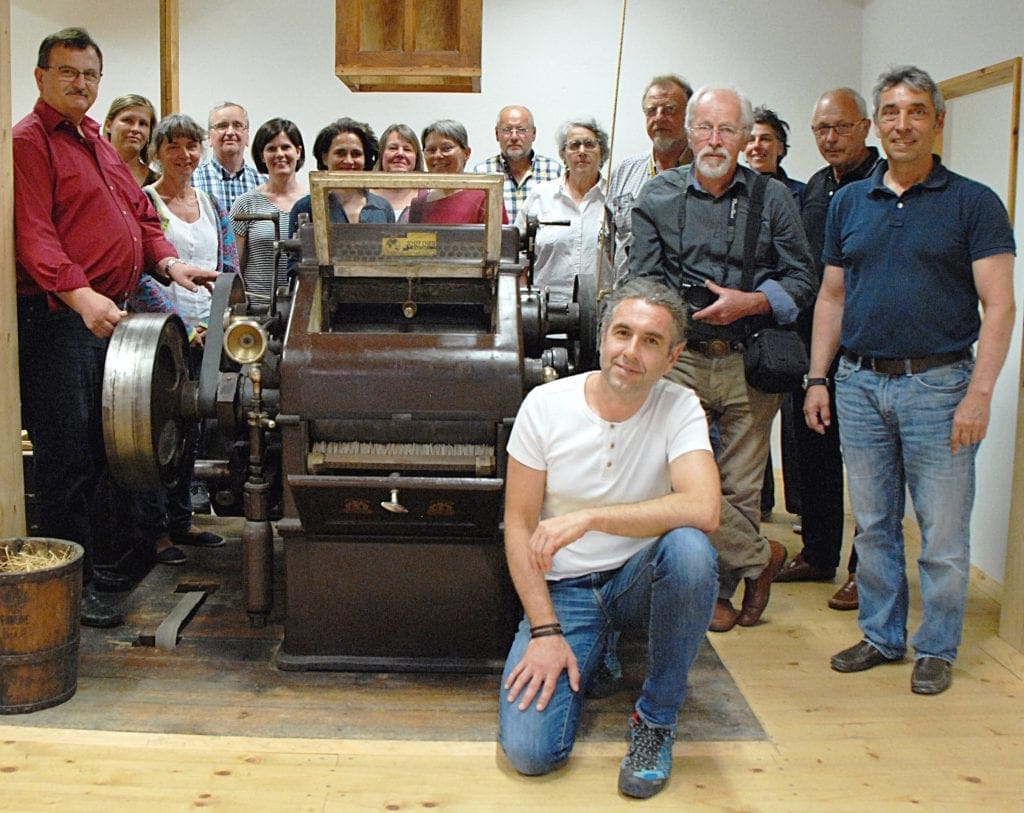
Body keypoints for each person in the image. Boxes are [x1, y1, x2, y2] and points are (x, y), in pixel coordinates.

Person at [805, 66, 1016, 695]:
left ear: (937, 122)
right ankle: (881, 635)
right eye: (892, 112)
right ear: (879, 123)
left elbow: (999, 306)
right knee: (872, 524)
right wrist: (819, 377)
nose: (903, 124)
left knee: (944, 535)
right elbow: (832, 297)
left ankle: (937, 645)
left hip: (941, 387)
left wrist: (979, 394)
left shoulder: (974, 203)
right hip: (860, 385)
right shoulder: (849, 201)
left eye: (917, 111)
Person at [13, 27, 218, 627]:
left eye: (90, 74)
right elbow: (34, 234)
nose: (81, 84)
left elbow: (138, 215)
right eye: (68, 72)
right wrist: (80, 296)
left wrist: (170, 263)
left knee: (110, 453)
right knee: (68, 458)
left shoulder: (97, 143)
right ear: (41, 77)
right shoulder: (28, 141)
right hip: (63, 321)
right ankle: (66, 596)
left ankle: (105, 569)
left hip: (114, 315)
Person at [498, 277, 719, 799]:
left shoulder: (680, 405)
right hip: (565, 591)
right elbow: (519, 526)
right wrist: (546, 633)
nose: (631, 352)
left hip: (637, 580)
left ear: (673, 356)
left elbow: (704, 508)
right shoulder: (545, 405)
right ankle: (595, 647)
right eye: (623, 333)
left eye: (651, 341)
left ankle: (656, 722)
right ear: (602, 337)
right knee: (531, 754)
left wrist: (592, 518)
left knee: (691, 550)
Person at [629, 85, 816, 633]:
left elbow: (803, 278)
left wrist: (752, 302)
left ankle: (719, 587)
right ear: (689, 134)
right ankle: (762, 558)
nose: (715, 140)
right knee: (680, 481)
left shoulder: (773, 198)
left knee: (737, 488)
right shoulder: (656, 197)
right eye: (705, 128)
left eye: (727, 130)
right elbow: (641, 279)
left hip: (750, 361)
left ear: (745, 138)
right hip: (681, 357)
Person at [775, 88, 882, 611]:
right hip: (811, 345)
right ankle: (818, 553)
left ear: (865, 127)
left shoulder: (884, 184)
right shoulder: (815, 187)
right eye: (821, 129)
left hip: (866, 347)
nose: (830, 138)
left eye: (840, 127)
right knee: (812, 453)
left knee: (866, 464)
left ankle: (868, 570)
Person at [137, 113, 240, 564]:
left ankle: (182, 521)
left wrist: (216, 324)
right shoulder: (145, 202)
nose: (184, 155)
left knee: (192, 433)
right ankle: (156, 533)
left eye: (191, 146)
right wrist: (179, 326)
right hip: (162, 339)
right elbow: (141, 273)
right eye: (173, 146)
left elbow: (228, 266)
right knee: (154, 436)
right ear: (157, 152)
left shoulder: (211, 204)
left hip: (207, 336)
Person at [743, 106, 805, 528]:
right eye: (751, 139)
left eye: (766, 139)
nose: (757, 146)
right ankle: (760, 501)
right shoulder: (737, 193)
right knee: (749, 420)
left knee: (796, 423)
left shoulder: (802, 195)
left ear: (781, 147)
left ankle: (800, 503)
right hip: (745, 324)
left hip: (789, 319)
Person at [606, 75, 694, 283]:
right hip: (632, 297)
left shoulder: (705, 174)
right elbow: (609, 240)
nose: (659, 118)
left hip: (687, 302)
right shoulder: (625, 171)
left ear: (690, 116)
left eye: (669, 110)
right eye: (651, 111)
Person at [515, 119, 608, 303]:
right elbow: (516, 258)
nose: (582, 151)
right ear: (563, 155)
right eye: (574, 145)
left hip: (601, 314)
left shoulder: (613, 197)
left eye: (589, 144)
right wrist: (526, 306)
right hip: (546, 314)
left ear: (602, 152)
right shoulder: (541, 196)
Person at [231, 118, 306, 307]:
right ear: (262, 156)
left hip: (302, 310)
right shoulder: (245, 204)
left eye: (286, 147)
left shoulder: (314, 203)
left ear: (298, 151)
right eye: (271, 149)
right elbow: (234, 265)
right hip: (256, 310)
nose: (279, 154)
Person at [288, 118, 395, 236]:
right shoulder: (305, 207)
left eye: (356, 154)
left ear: (366, 159)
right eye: (340, 153)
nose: (349, 161)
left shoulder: (383, 208)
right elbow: (296, 254)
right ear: (324, 157)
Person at [471, 105, 562, 221]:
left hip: (540, 239)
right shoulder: (482, 173)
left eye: (521, 130)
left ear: (534, 133)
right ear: (497, 134)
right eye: (507, 130)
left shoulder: (553, 171)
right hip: (498, 239)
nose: (514, 137)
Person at [410, 120, 508, 224]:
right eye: (431, 150)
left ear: (466, 153)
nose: (438, 155)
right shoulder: (419, 205)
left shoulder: (487, 197)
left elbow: (501, 239)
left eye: (446, 148)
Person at [191, 101, 266, 213]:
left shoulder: (263, 184)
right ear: (210, 137)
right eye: (222, 126)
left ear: (247, 136)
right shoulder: (191, 182)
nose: (230, 132)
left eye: (237, 125)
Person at [371, 123, 425, 222]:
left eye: (407, 149)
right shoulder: (364, 196)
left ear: (416, 158)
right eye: (393, 148)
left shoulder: (429, 196)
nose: (400, 153)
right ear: (381, 154)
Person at [103, 93, 158, 186]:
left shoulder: (159, 185)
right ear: (108, 125)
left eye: (143, 123)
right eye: (127, 120)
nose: (135, 129)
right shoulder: (92, 172)